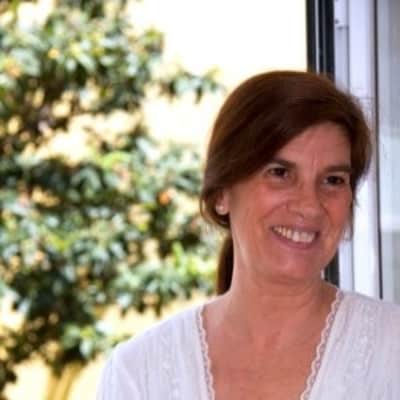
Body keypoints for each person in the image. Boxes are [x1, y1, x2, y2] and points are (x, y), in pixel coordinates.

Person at [96, 71, 400, 400]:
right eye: (280, 173)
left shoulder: (391, 351)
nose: (310, 206)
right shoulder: (139, 372)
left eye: (333, 180)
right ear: (221, 194)